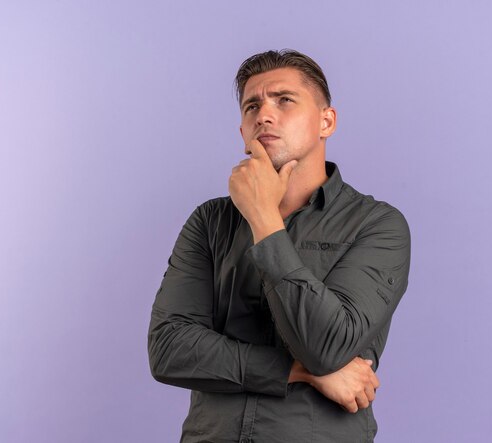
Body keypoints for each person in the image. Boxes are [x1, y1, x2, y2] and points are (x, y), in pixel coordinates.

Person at [148, 49, 411, 443]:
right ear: (242, 132)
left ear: (326, 121)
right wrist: (299, 371)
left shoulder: (378, 225)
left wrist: (263, 220)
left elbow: (327, 346)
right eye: (252, 106)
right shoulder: (210, 221)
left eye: (284, 100)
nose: (264, 115)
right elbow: (169, 348)